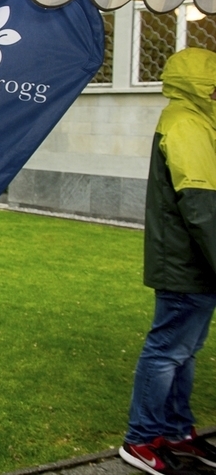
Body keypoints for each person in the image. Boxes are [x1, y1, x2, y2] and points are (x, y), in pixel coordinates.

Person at [119, 47, 216, 475]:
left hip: (194, 265)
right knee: (166, 352)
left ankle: (176, 431)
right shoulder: (186, 125)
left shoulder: (196, 122)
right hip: (186, 265)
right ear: (201, 85)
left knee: (183, 352)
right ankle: (140, 439)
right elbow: (201, 206)